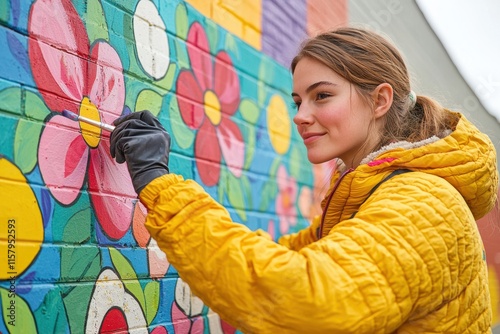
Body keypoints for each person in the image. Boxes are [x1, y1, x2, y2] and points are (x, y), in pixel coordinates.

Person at [109, 27, 498, 333]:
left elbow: (306, 300)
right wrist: (166, 185)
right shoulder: (372, 192)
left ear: (380, 101)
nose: (300, 115)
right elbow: (278, 261)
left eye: (322, 96)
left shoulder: (422, 203)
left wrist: (159, 184)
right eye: (298, 101)